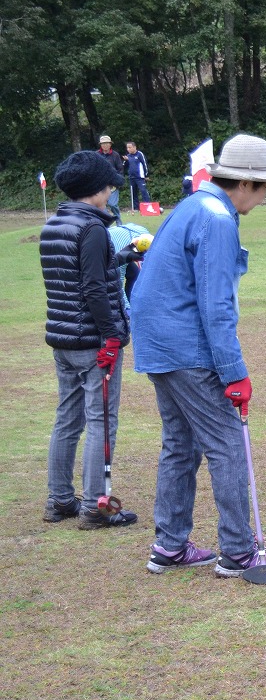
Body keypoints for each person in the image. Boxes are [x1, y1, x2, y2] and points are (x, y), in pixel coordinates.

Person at [130, 134, 266, 577]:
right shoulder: (217, 218)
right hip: (187, 348)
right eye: (265, 188)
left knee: (180, 444)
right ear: (245, 183)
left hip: (158, 344)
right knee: (227, 445)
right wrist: (234, 371)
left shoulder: (191, 205)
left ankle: (169, 545)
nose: (264, 197)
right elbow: (215, 305)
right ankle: (238, 551)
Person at [39, 150, 144, 529]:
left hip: (63, 339)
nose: (111, 192)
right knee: (101, 421)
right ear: (98, 189)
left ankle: (59, 500)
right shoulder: (93, 228)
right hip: (94, 342)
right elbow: (94, 289)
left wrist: (122, 256)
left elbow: (81, 271)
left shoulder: (54, 224)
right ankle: (94, 507)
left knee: (67, 419)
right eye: (109, 187)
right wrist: (113, 336)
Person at [96, 135, 124, 219]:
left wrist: (118, 180)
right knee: (101, 205)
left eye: (106, 143)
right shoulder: (96, 154)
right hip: (100, 185)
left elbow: (120, 169)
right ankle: (105, 221)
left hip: (113, 185)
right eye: (103, 143)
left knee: (113, 204)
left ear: (110, 144)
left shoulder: (115, 155)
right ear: (100, 145)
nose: (105, 145)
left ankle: (118, 219)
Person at [124, 141, 152, 210]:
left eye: (130, 147)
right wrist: (126, 160)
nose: (128, 149)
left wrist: (146, 175)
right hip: (131, 178)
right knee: (133, 193)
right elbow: (124, 166)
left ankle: (148, 207)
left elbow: (145, 164)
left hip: (140, 177)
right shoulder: (128, 156)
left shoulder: (139, 154)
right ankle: (136, 208)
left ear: (134, 147)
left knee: (143, 191)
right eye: (127, 148)